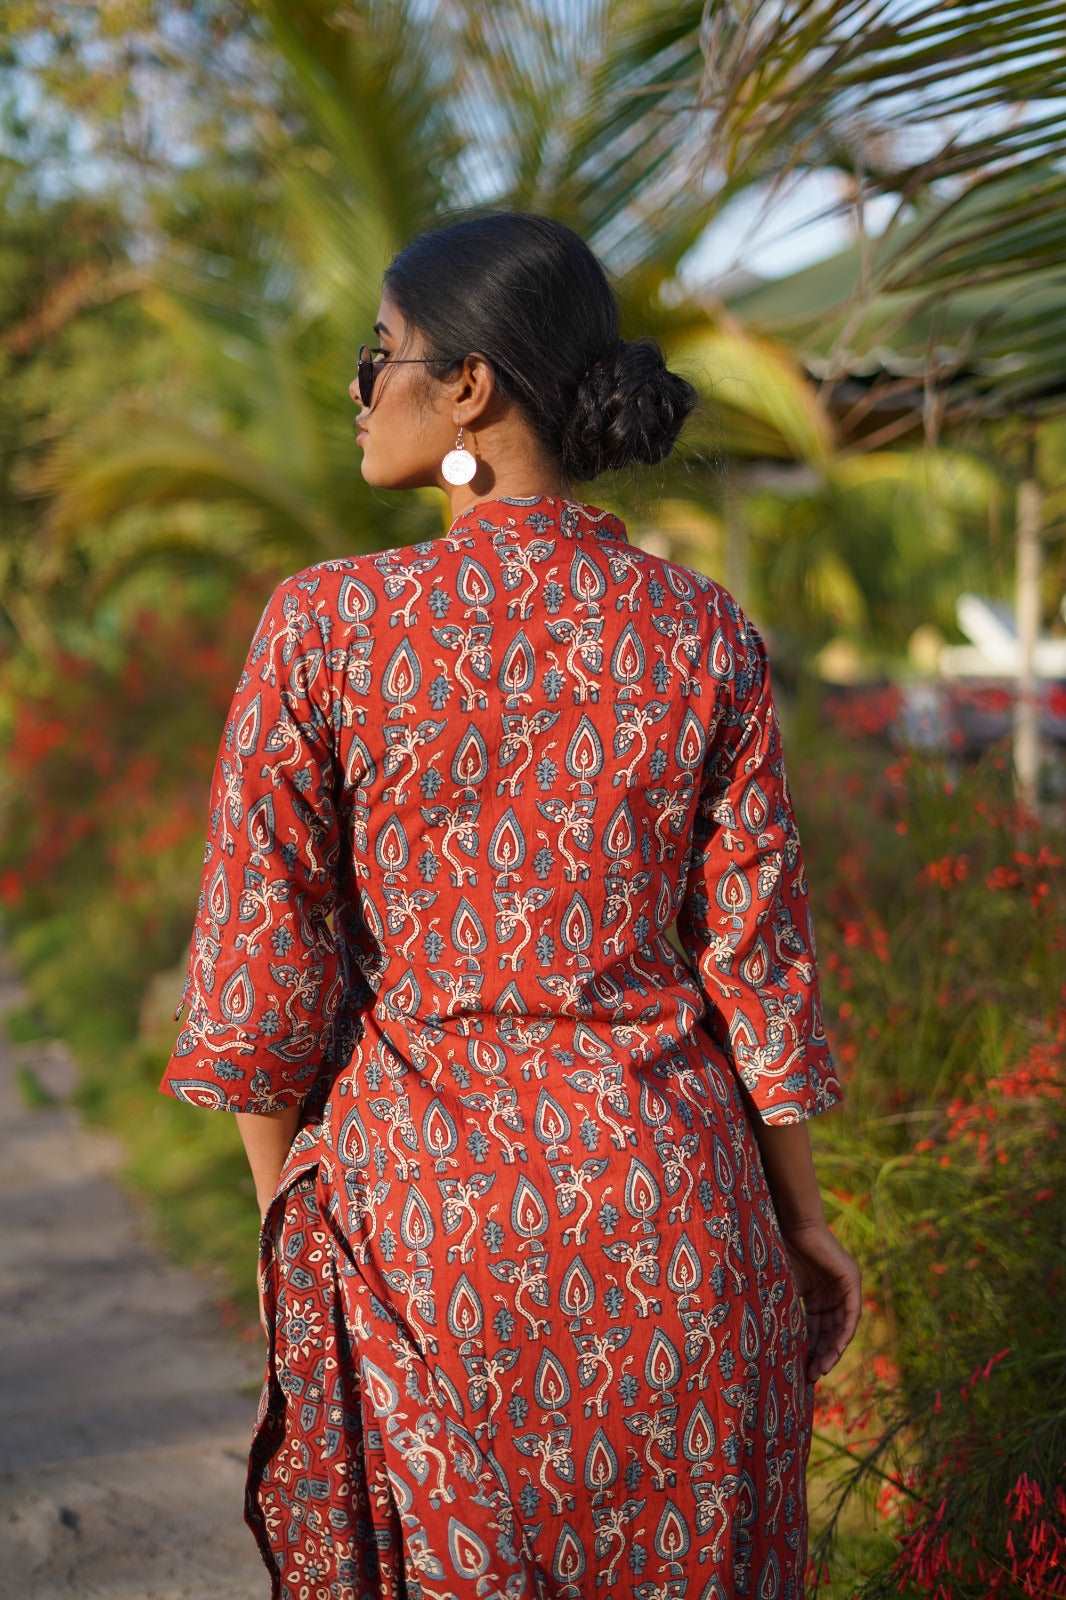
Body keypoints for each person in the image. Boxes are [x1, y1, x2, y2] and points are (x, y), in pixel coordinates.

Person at [159, 209, 861, 1600]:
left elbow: (261, 966)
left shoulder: (327, 626)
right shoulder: (698, 629)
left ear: (467, 386)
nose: (360, 393)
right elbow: (756, 965)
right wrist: (800, 1223)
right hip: (679, 1221)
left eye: (379, 358)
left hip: (429, 1243)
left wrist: (291, 1217)